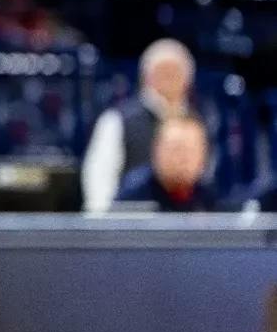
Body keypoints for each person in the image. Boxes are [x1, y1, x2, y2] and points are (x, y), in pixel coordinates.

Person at [81, 38, 200, 213]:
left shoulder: (198, 120)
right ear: (146, 77)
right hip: (129, 217)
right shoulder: (117, 119)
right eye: (163, 73)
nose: (169, 79)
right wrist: (102, 222)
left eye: (175, 73)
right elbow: (99, 177)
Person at [113, 115, 217, 212]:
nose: (183, 158)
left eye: (190, 151)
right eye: (176, 149)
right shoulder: (132, 199)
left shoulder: (213, 201)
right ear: (156, 151)